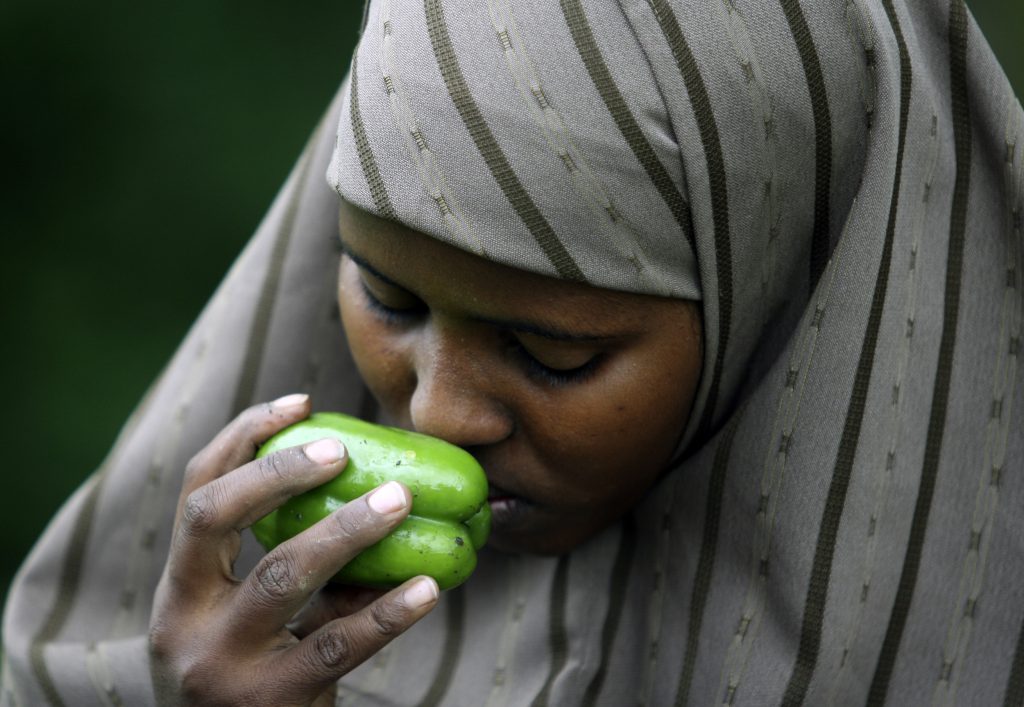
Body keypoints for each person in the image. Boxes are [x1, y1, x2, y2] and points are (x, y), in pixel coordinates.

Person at [3, 0, 1023, 704]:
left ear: (777, 305)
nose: (438, 415)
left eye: (551, 353)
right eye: (386, 295)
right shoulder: (193, 644)